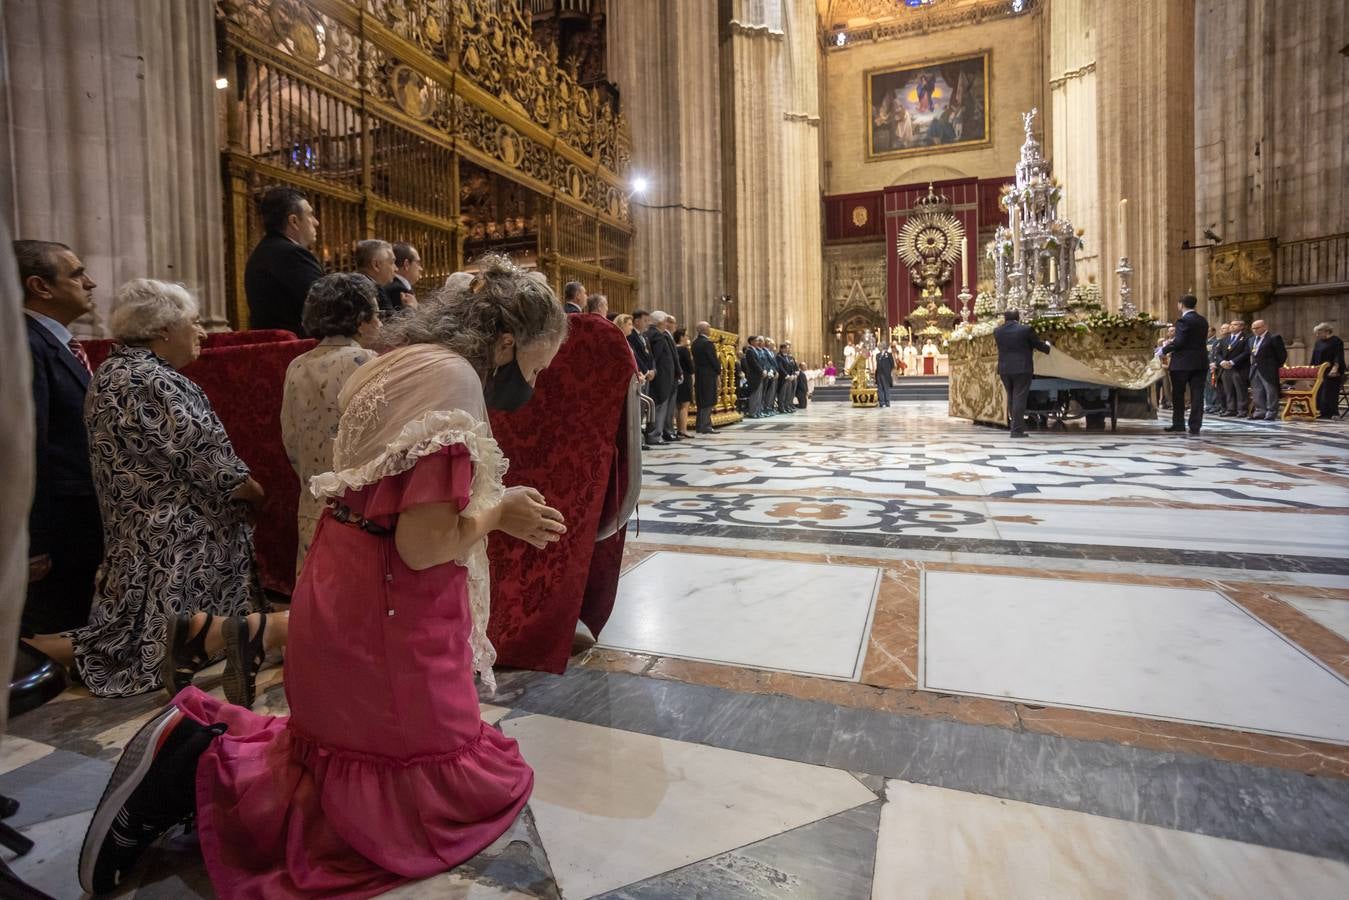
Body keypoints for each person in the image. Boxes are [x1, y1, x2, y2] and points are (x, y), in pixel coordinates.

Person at [79, 255, 567, 898]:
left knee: (369, 741)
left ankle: (194, 746)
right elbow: (424, 547)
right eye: (534, 365)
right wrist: (498, 511)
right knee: (420, 785)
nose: (531, 382)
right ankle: (193, 766)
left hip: (346, 563)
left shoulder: (406, 356)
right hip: (393, 596)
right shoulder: (452, 382)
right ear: (504, 342)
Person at [23, 279, 281, 705]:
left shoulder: (114, 370)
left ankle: (41, 647)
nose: (202, 333)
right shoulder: (154, 380)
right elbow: (210, 462)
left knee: (135, 625)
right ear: (163, 329)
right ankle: (41, 648)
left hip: (142, 527)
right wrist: (253, 493)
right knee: (150, 641)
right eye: (194, 323)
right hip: (178, 533)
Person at [17, 240, 102, 637]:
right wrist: (34, 541)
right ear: (41, 286)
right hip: (59, 525)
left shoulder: (54, 342)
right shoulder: (25, 344)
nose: (90, 282)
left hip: (76, 518)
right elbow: (28, 447)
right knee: (53, 633)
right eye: (76, 274)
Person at [281, 274, 382, 576]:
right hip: (360, 504)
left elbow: (290, 436)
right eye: (377, 313)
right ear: (361, 319)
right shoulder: (367, 361)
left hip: (312, 499)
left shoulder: (297, 365)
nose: (380, 322)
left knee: (317, 588)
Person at [244, 186, 324, 336]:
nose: (316, 222)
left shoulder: (263, 251)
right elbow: (329, 306)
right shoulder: (291, 254)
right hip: (299, 348)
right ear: (294, 221)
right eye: (311, 215)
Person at [993, 309, 1051, 438]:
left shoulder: (997, 331)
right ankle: (1017, 430)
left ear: (1005, 318)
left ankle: (1015, 427)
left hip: (1004, 369)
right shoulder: (1025, 329)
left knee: (1011, 397)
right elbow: (1037, 344)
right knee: (1019, 397)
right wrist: (1048, 346)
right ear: (1018, 318)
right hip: (1022, 368)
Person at [1161, 294, 1210, 436]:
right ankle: (1195, 426)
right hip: (1200, 362)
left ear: (1181, 305)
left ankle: (1178, 424)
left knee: (1178, 395)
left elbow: (1180, 342)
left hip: (1182, 363)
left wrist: (1163, 350)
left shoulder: (1183, 320)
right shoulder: (1202, 320)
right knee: (1197, 395)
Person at [644, 311, 678, 444]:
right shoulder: (657, 335)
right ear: (659, 322)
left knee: (658, 406)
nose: (666, 325)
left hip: (659, 376)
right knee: (659, 407)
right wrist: (654, 370)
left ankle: (656, 434)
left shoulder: (652, 334)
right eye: (665, 322)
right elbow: (655, 358)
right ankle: (654, 435)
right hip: (660, 377)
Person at [357, 239, 412, 320]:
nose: (396, 269)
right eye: (392, 262)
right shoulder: (365, 290)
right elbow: (390, 327)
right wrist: (410, 308)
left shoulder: (368, 284)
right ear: (376, 265)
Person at [1247, 319, 1287, 421]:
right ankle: (1260, 411)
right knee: (1257, 391)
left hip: (1269, 369)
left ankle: (1271, 411)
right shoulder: (1251, 340)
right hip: (1255, 368)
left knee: (1270, 391)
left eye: (1257, 328)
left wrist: (1274, 366)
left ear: (1265, 327)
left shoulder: (1274, 338)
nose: (1255, 330)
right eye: (1253, 328)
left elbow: (1282, 355)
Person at [1310, 322, 1345, 419]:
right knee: (1320, 392)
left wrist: (1335, 367)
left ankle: (1334, 413)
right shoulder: (1318, 342)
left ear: (1326, 331)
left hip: (1332, 371)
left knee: (1330, 392)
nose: (1317, 335)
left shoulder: (1336, 341)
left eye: (1318, 332)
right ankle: (1322, 412)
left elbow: (1338, 355)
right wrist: (1311, 371)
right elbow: (1314, 357)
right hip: (1319, 371)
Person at [692, 321, 721, 434]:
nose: (710, 330)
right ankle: (705, 425)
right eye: (709, 328)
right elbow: (713, 359)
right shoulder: (707, 343)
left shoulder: (695, 342)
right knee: (708, 400)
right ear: (704, 330)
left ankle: (700, 425)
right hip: (708, 375)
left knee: (701, 400)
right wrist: (718, 371)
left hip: (699, 374)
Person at [1217, 318, 1250, 416]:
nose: (1232, 326)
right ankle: (1231, 409)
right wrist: (1222, 361)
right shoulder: (1225, 339)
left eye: (1235, 324)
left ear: (1241, 327)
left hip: (1238, 368)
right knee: (1229, 390)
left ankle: (1242, 410)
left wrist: (1232, 362)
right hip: (1225, 368)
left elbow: (1246, 352)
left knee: (1240, 390)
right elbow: (1218, 353)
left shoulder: (1246, 338)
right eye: (1231, 324)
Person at [384, 242, 422, 312]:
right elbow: (413, 321)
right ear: (406, 264)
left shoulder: (398, 285)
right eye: (418, 263)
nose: (421, 268)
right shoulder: (398, 289)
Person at [673, 328, 696, 438]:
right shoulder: (684, 350)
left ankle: (679, 428)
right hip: (685, 378)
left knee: (678, 405)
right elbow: (690, 367)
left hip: (676, 378)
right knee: (684, 405)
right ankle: (683, 429)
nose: (688, 338)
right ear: (681, 337)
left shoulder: (673, 348)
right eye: (686, 335)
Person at [1205, 324, 1228, 413]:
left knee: (1213, 386)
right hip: (1207, 366)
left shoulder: (1217, 341)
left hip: (1215, 366)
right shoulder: (1206, 341)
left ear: (1214, 332)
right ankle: (1209, 404)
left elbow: (1215, 354)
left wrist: (1214, 364)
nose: (1206, 333)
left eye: (1208, 331)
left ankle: (1216, 405)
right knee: (1207, 387)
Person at [742, 336, 764, 418]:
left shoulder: (755, 350)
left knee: (759, 394)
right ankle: (752, 412)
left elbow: (760, 362)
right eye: (756, 341)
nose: (758, 342)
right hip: (754, 375)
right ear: (751, 342)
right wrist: (761, 371)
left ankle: (757, 412)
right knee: (754, 394)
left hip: (758, 375)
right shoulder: (749, 351)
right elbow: (754, 363)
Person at [875, 342, 896, 408]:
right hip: (879, 374)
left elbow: (892, 365)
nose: (878, 347)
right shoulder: (877, 355)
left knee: (886, 388)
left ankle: (887, 402)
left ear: (882, 347)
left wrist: (888, 371)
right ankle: (882, 402)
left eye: (879, 346)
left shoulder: (889, 355)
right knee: (880, 389)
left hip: (886, 374)